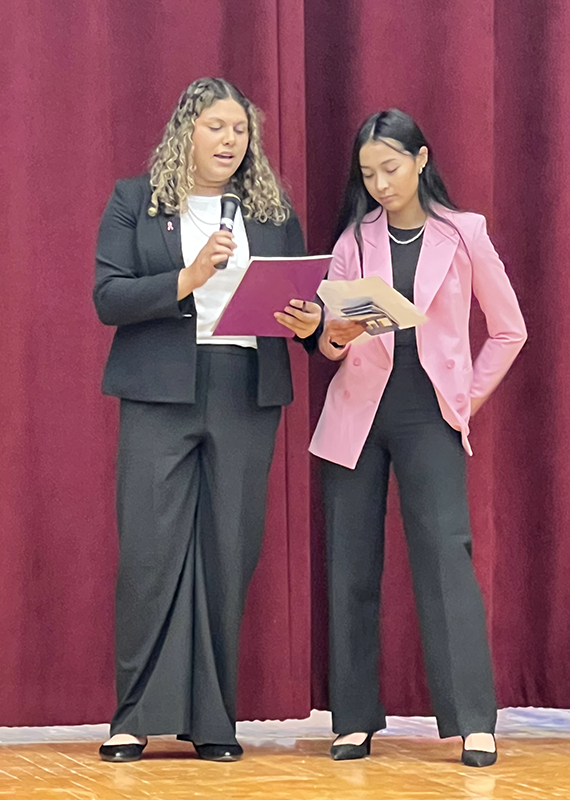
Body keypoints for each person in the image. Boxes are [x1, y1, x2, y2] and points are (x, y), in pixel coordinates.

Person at [93, 77, 321, 763]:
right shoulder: (135, 200)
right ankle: (133, 716)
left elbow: (305, 305)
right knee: (149, 555)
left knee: (229, 554)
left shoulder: (273, 212)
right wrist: (186, 280)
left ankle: (213, 720)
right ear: (186, 131)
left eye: (241, 130)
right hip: (161, 390)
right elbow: (108, 297)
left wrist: (311, 325)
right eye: (217, 127)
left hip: (244, 390)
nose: (231, 141)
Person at [309, 109, 527, 767]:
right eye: (369, 172)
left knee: (444, 558)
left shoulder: (463, 234)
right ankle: (352, 720)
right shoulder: (354, 238)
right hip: (356, 414)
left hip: (429, 414)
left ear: (422, 160)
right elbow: (329, 343)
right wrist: (334, 334)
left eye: (391, 168)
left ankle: (472, 721)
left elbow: (510, 329)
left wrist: (464, 399)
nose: (379, 183)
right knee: (350, 563)